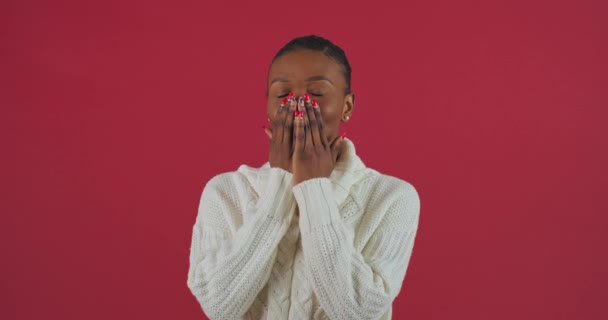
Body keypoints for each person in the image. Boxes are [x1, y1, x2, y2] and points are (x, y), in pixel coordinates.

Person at [187, 35, 420, 320]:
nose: (298, 105)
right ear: (268, 107)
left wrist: (315, 190)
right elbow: (218, 306)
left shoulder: (391, 197)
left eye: (318, 92)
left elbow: (357, 313)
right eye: (283, 94)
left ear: (347, 106)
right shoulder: (225, 192)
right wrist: (280, 186)